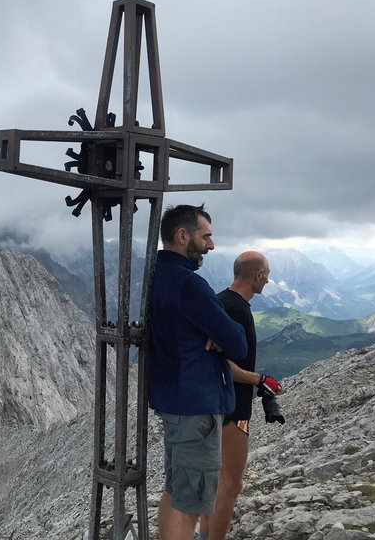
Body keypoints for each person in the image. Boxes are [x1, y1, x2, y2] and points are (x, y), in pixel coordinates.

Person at [148, 204, 247, 540]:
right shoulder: (189, 284)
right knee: (189, 501)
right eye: (206, 237)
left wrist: (214, 334)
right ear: (182, 236)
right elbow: (237, 342)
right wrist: (221, 336)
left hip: (174, 399)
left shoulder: (156, 275)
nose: (211, 245)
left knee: (177, 489)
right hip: (195, 404)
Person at [197, 251, 283, 540]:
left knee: (217, 481)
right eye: (266, 274)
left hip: (215, 404)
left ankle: (203, 535)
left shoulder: (223, 301)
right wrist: (260, 379)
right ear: (258, 274)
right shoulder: (236, 309)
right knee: (232, 485)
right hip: (232, 408)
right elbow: (223, 365)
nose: (268, 280)